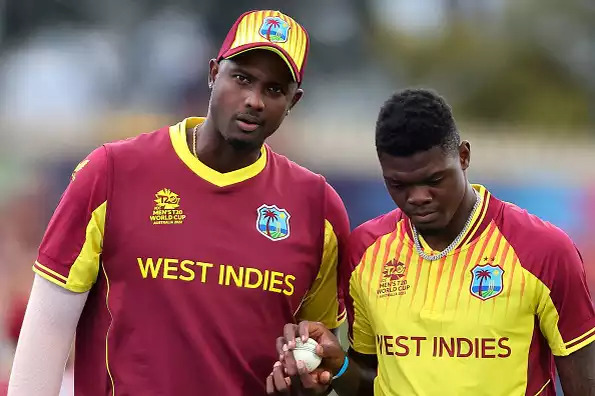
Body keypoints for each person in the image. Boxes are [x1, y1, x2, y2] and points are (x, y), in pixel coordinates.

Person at [8, 10, 350, 396]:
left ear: (294, 101)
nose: (253, 100)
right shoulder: (111, 173)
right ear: (212, 73)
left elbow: (318, 352)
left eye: (274, 90)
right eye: (241, 78)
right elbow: (48, 327)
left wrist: (315, 378)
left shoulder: (317, 207)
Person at [267, 88, 595, 395]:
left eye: (434, 180)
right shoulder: (365, 251)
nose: (418, 197)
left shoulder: (544, 251)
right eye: (399, 184)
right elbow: (371, 381)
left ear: (463, 156)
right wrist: (336, 368)